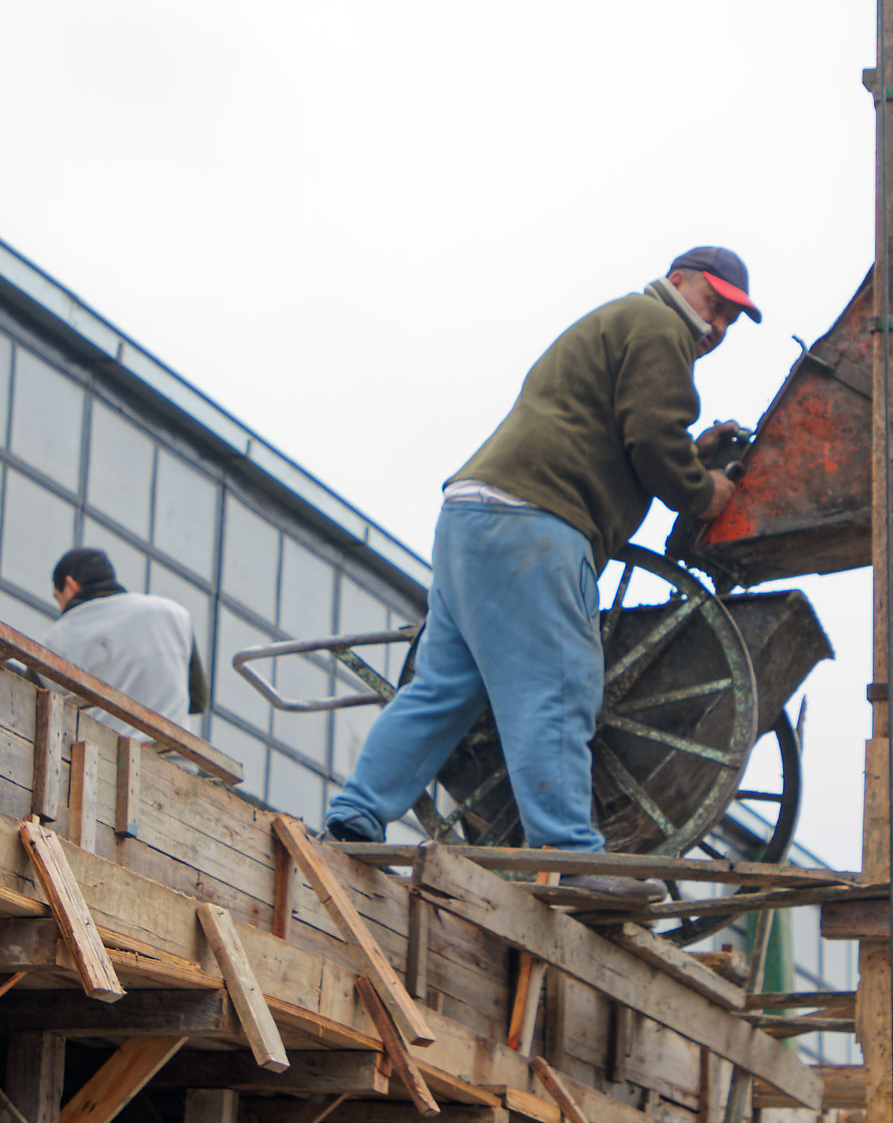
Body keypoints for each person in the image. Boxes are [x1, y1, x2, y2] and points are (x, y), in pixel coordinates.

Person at [323, 247, 759, 898]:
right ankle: (571, 855)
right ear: (678, 282)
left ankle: (355, 817)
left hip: (472, 514)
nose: (717, 324)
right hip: (536, 521)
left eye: (730, 316)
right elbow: (650, 433)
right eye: (714, 303)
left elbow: (627, 433)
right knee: (558, 686)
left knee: (443, 690)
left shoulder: (624, 323)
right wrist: (706, 492)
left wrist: (683, 458)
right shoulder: (661, 326)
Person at [42, 548, 208, 742]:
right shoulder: (175, 614)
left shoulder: (57, 638)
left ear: (70, 585)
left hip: (101, 761)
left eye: (57, 596)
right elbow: (198, 700)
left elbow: (34, 700)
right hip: (176, 761)